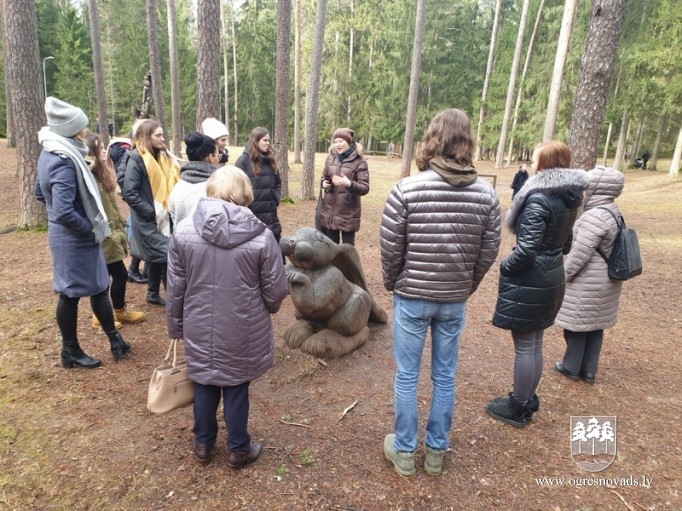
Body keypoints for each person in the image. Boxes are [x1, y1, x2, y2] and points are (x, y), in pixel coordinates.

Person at [380, 108, 501, 477]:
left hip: (413, 297)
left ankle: (404, 450)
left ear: (432, 138)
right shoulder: (487, 195)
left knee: (407, 375)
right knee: (445, 376)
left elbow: (390, 248)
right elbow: (488, 249)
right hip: (452, 300)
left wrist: (395, 282)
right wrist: (467, 284)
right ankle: (435, 450)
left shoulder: (407, 188)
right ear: (467, 141)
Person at [166, 165, 288, 468]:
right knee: (235, 386)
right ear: (243, 193)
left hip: (198, 324)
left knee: (204, 381)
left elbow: (175, 287)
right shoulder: (261, 236)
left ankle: (203, 444)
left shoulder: (182, 232)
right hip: (242, 327)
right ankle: (238, 449)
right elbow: (276, 289)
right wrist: (269, 308)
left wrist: (176, 326)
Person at [486, 141, 589, 428]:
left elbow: (527, 250)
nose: (531, 163)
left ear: (545, 164)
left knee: (525, 346)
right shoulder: (569, 198)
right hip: (553, 274)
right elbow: (566, 243)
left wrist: (505, 266)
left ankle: (518, 406)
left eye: (534, 159)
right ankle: (527, 398)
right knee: (535, 342)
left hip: (532, 277)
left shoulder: (539, 198)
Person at [35, 97, 131, 368]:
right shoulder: (63, 160)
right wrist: (88, 230)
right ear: (71, 129)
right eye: (83, 127)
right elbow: (64, 211)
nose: (86, 131)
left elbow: (40, 193)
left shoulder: (52, 152)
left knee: (99, 288)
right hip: (74, 238)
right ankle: (70, 351)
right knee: (71, 293)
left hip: (72, 236)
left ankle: (115, 340)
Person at [554, 166, 625, 385]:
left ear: (595, 187)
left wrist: (562, 276)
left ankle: (571, 366)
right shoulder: (613, 210)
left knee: (576, 325)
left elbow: (579, 254)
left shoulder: (595, 216)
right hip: (606, 281)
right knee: (594, 327)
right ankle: (589, 370)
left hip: (588, 282)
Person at [85, 134, 146, 329]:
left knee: (114, 274)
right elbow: (94, 210)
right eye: (99, 147)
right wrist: (106, 235)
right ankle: (101, 315)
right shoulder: (90, 176)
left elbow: (110, 206)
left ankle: (117, 311)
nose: (104, 150)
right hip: (104, 235)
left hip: (112, 232)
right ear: (90, 152)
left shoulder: (101, 173)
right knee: (115, 274)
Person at [122, 120, 179, 306]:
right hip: (148, 219)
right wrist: (151, 213)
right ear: (147, 137)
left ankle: (152, 294)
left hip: (161, 217)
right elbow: (130, 192)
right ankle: (175, 300)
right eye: (158, 135)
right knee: (167, 253)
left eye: (163, 135)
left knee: (155, 257)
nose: (162, 139)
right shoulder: (136, 159)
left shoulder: (160, 157)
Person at [318, 128, 369, 245]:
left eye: (340, 141)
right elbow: (324, 176)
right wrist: (323, 183)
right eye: (335, 142)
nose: (337, 145)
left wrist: (349, 184)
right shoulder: (330, 158)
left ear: (349, 142)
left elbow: (365, 188)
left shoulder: (360, 161)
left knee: (347, 253)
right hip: (329, 214)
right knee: (331, 251)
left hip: (348, 215)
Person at [109, 131, 148, 284]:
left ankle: (146, 269)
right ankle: (133, 269)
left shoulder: (125, 150)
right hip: (139, 201)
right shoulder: (126, 151)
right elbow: (125, 177)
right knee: (138, 235)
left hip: (140, 200)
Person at [235, 127, 283, 244]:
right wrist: (246, 206)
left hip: (271, 215)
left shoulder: (271, 159)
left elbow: (278, 183)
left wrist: (275, 198)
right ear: (255, 141)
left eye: (268, 140)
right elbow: (235, 187)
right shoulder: (243, 161)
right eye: (265, 140)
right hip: (252, 216)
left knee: (275, 252)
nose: (268, 143)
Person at [168, 132, 220, 225]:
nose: (218, 160)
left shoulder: (177, 188)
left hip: (180, 238)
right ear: (211, 157)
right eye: (218, 156)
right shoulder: (216, 188)